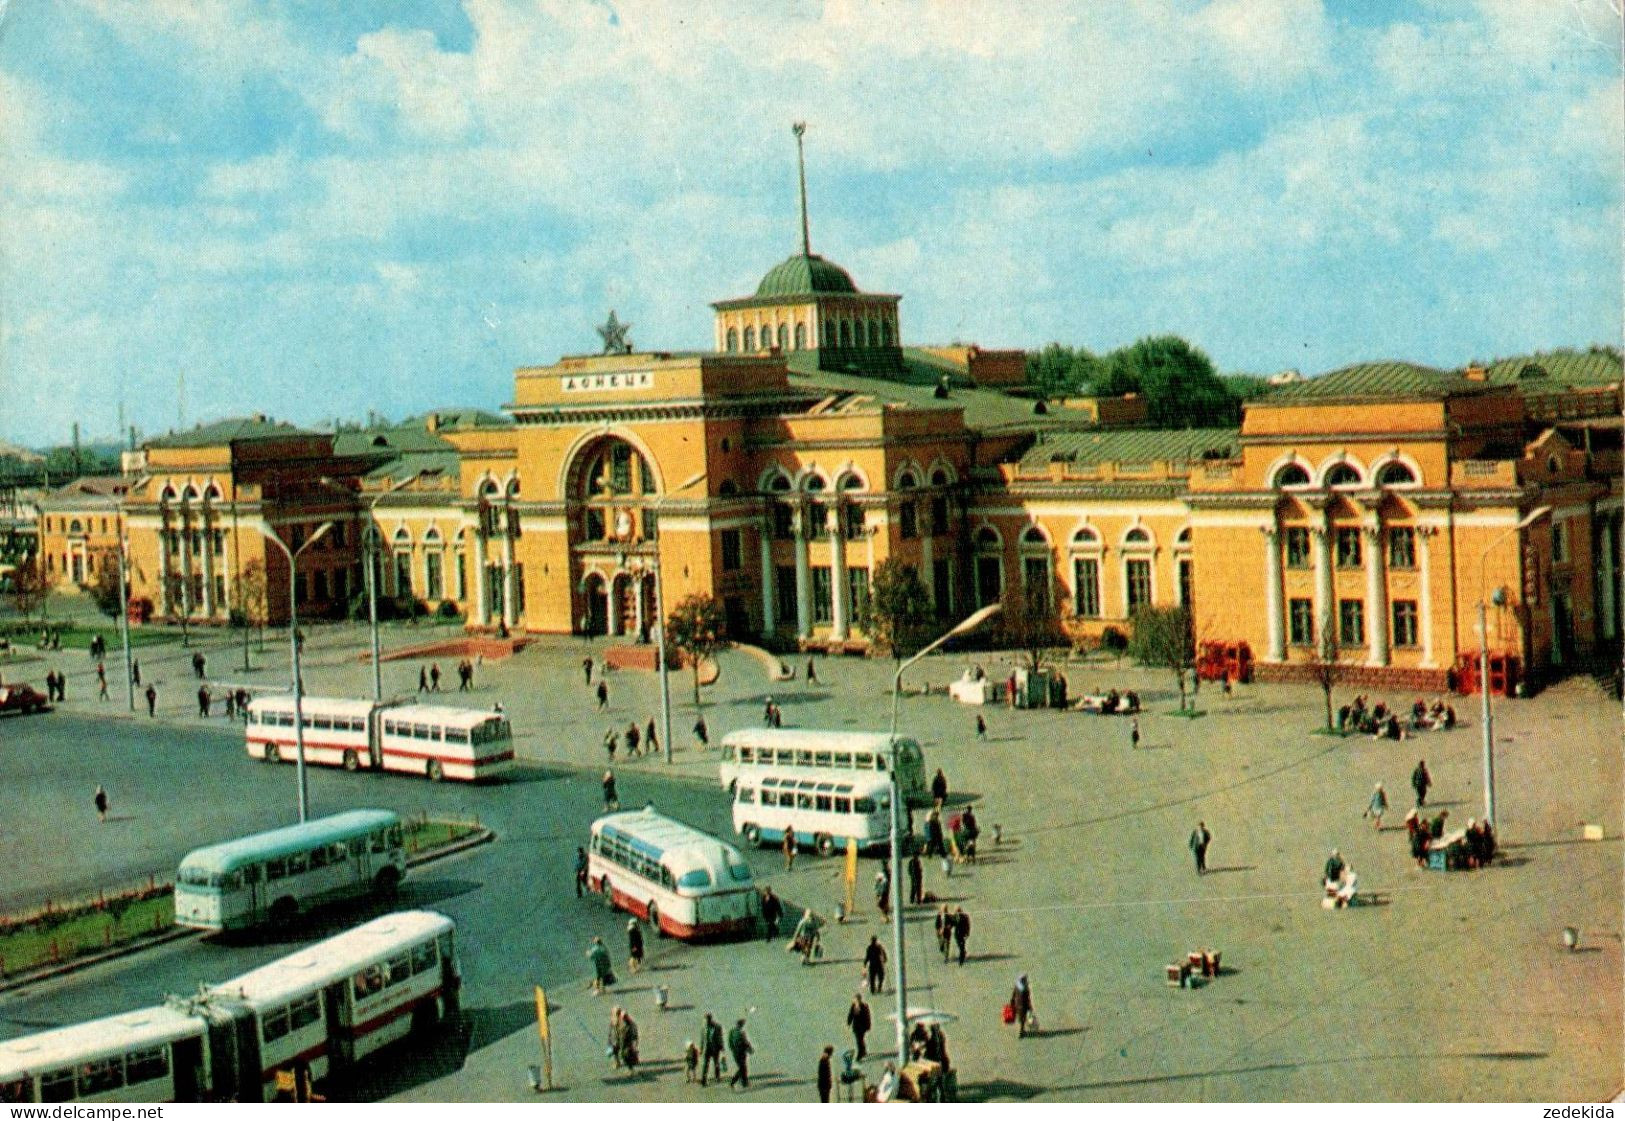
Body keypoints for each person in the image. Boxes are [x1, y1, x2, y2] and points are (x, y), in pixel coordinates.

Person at [727, 1019, 752, 1089]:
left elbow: (730, 1042)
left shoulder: (732, 1032)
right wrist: (750, 1049)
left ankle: (744, 1082)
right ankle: (733, 1082)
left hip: (735, 1053)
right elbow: (745, 1042)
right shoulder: (741, 1033)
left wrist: (733, 1050)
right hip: (741, 1052)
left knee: (743, 1067)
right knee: (742, 1068)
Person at [700, 1013, 725, 1085]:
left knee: (716, 1062)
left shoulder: (717, 1027)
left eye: (707, 1020)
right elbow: (702, 1039)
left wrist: (722, 1047)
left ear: (710, 1020)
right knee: (706, 1064)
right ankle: (704, 1080)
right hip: (707, 1048)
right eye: (705, 1020)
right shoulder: (704, 1028)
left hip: (715, 1048)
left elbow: (720, 1038)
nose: (706, 1022)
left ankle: (717, 1076)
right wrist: (701, 1048)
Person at [846, 993, 872, 1060]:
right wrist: (848, 1023)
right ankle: (863, 1051)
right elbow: (851, 1014)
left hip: (862, 1027)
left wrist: (868, 1026)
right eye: (855, 1000)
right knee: (860, 1040)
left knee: (859, 1040)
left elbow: (867, 1017)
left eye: (857, 1000)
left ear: (860, 1000)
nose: (855, 1001)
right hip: (856, 1026)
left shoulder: (864, 1006)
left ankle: (860, 1054)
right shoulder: (853, 1006)